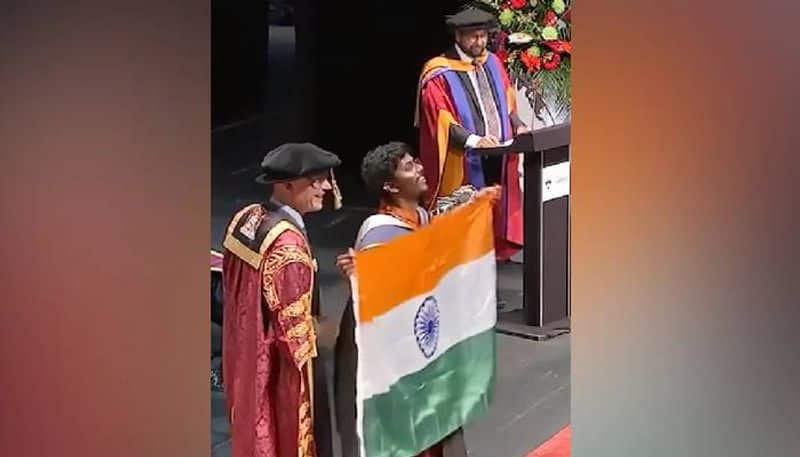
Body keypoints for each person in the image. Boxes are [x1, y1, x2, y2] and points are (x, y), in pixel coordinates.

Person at [333, 141, 499, 457]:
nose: (420, 169)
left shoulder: (419, 216)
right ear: (390, 186)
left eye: (416, 162)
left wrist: (472, 209)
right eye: (409, 167)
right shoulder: (379, 236)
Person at [221, 142, 342, 457]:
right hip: (278, 371)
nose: (326, 186)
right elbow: (295, 342)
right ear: (287, 185)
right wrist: (324, 333)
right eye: (316, 180)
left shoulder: (247, 219)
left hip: (246, 353)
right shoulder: (288, 248)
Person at [415, 4, 529, 261]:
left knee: (491, 221)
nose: (480, 42)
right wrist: (476, 141)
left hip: (499, 154)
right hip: (463, 161)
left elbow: (508, 100)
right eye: (473, 36)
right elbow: (441, 120)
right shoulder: (438, 72)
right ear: (458, 36)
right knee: (464, 231)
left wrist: (518, 123)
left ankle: (486, 281)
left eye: (484, 36)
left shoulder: (493, 62)